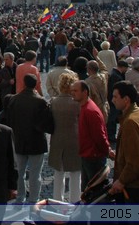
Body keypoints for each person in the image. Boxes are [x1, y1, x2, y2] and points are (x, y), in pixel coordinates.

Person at [3, 73, 52, 204]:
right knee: (35, 174)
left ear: (24, 83)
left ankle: (20, 198)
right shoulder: (41, 101)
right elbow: (47, 124)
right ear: (36, 84)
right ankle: (34, 200)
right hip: (36, 142)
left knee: (19, 173)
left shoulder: (14, 99)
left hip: (19, 141)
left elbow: (10, 120)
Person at [70, 80, 110, 191]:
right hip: (88, 155)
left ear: (85, 92)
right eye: (72, 90)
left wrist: (107, 150)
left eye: (76, 90)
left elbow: (99, 136)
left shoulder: (90, 111)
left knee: (94, 192)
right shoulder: (85, 107)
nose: (72, 93)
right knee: (87, 191)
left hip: (93, 157)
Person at [49, 71, 81, 202]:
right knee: (75, 174)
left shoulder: (53, 102)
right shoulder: (77, 103)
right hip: (74, 140)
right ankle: (75, 201)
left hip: (57, 139)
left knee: (58, 173)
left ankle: (57, 201)